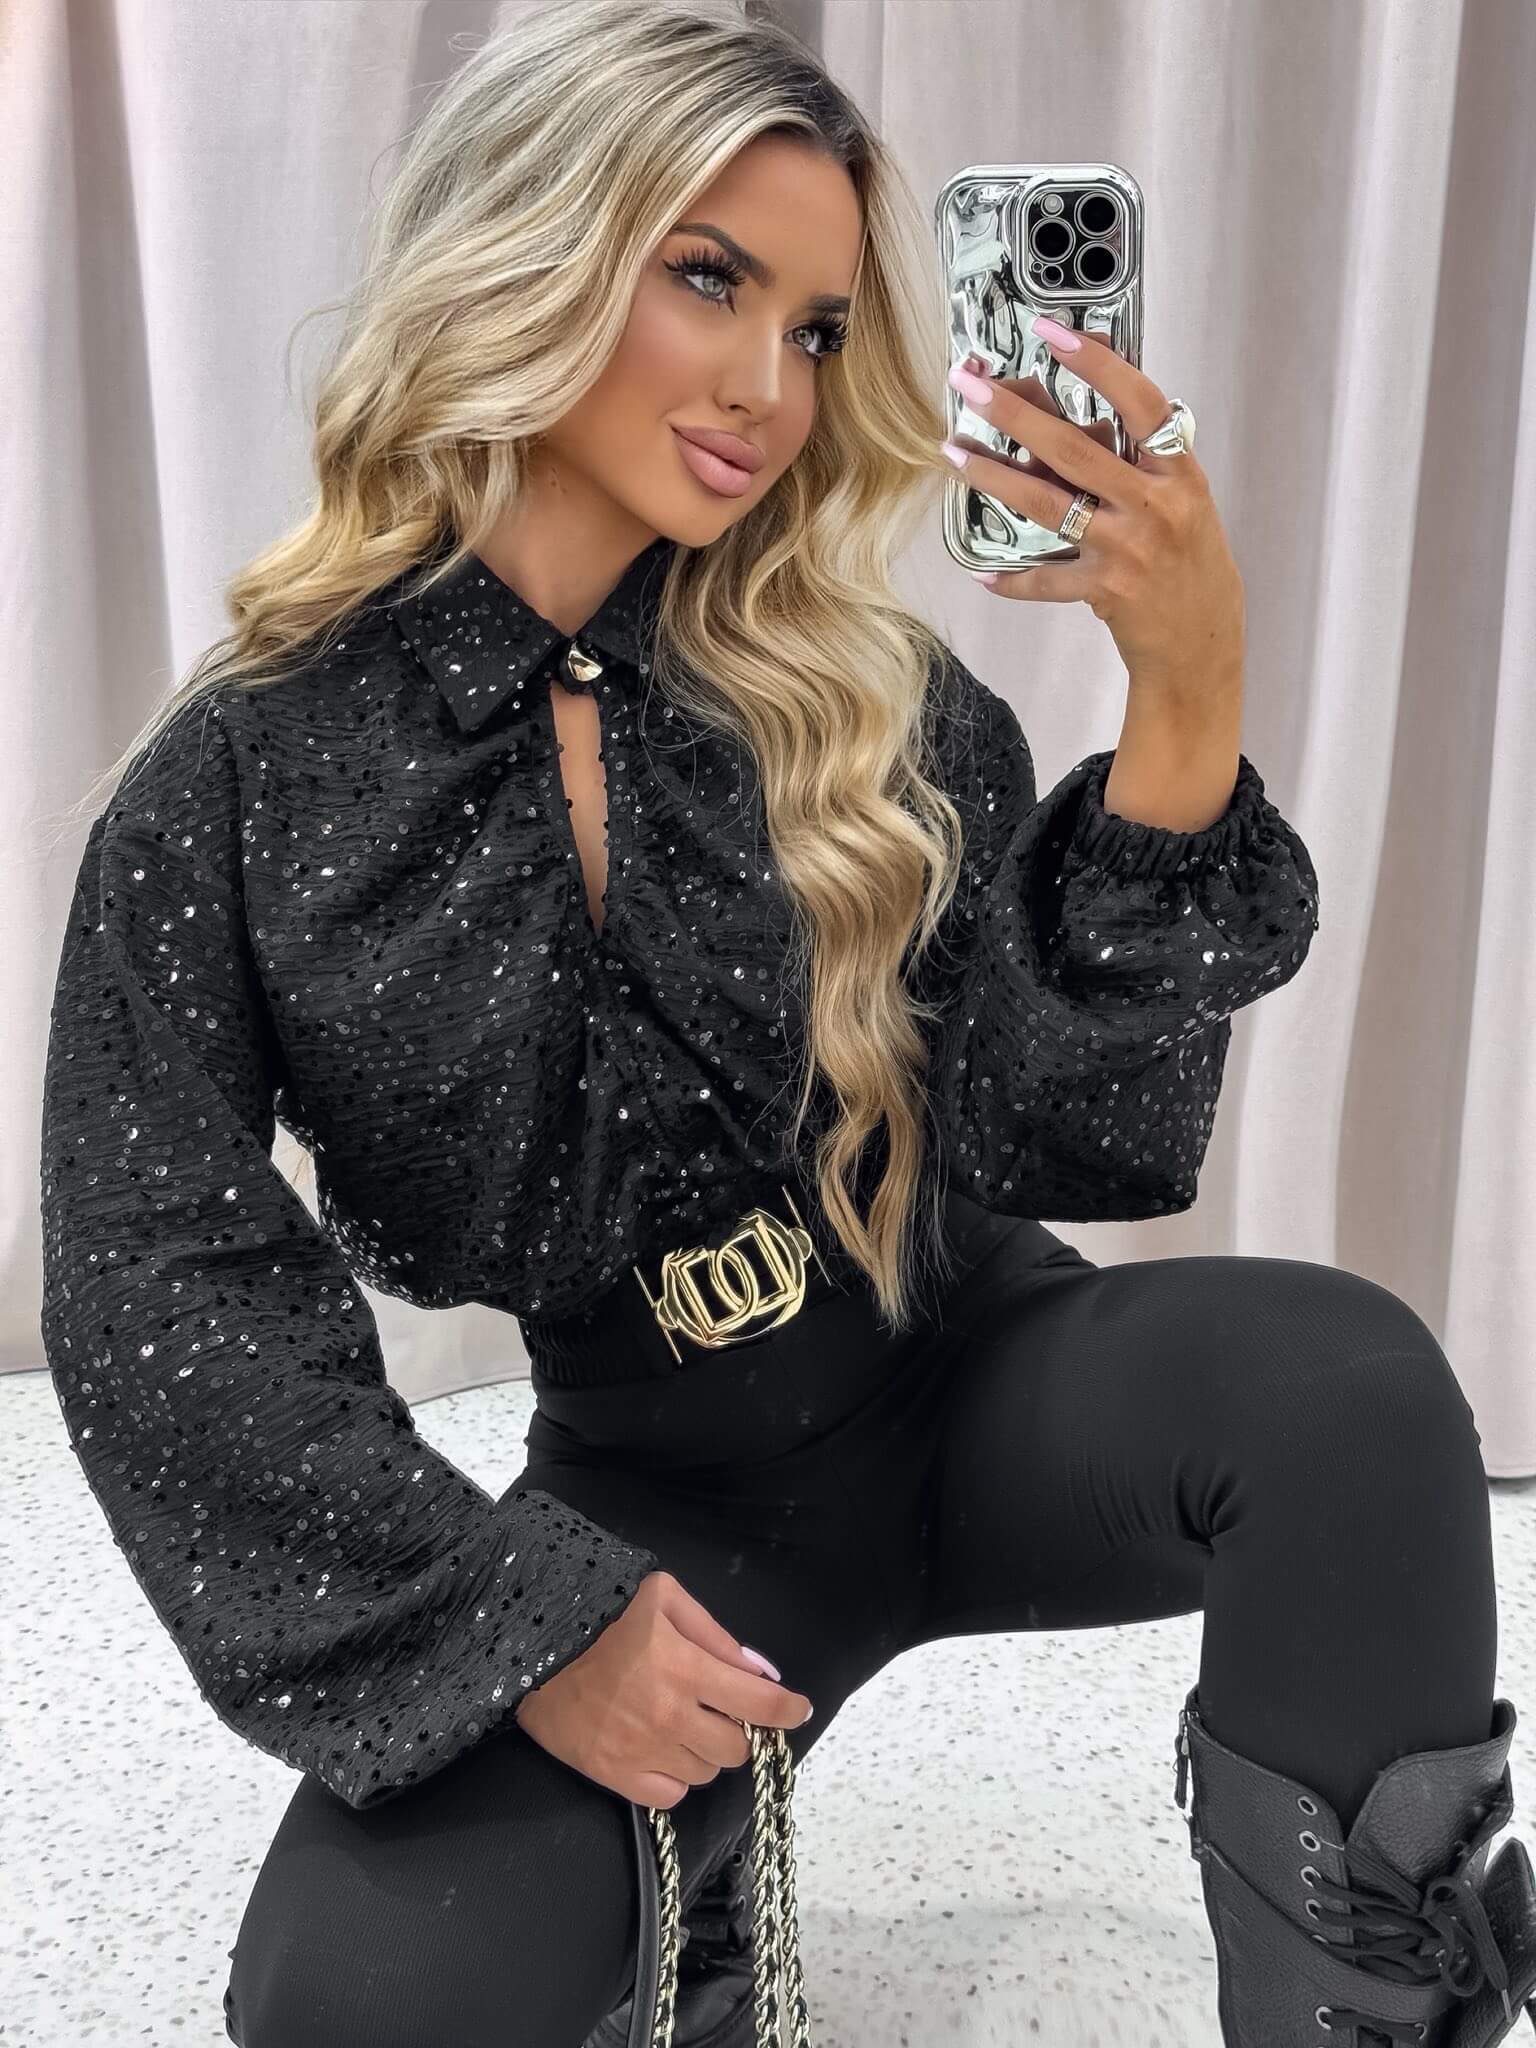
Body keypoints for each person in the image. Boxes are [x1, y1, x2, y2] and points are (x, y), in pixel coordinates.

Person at [37, 2, 1536, 2044]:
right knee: (357, 2006)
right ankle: (696, 1904)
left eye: (820, 327)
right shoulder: (242, 779)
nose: (771, 385)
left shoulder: (854, 690)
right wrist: (511, 1623)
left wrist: (1188, 699)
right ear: (533, 244)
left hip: (977, 1378)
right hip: (669, 1502)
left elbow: (1060, 1136)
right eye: (711, 279)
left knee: (1348, 1390)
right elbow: (164, 1279)